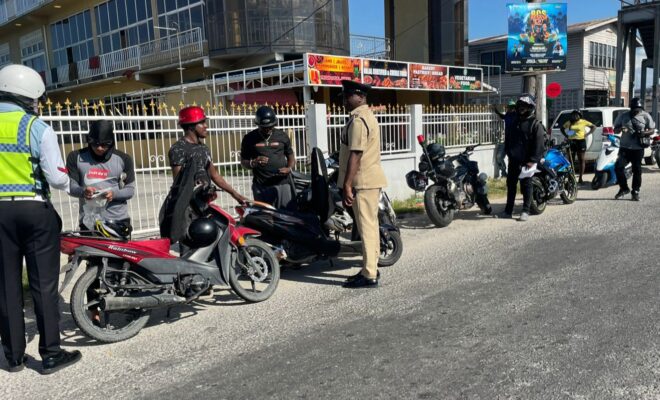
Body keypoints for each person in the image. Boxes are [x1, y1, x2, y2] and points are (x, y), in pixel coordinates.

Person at [0, 64, 81, 374]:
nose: (37, 104)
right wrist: (79, 189)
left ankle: (13, 357)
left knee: (6, 286)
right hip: (34, 211)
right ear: (26, 95)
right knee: (43, 285)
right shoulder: (36, 127)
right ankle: (50, 354)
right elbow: (57, 178)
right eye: (36, 98)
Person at [161, 106, 246, 244]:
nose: (206, 126)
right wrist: (195, 187)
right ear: (191, 126)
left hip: (203, 205)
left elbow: (215, 175)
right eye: (202, 123)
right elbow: (179, 183)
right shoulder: (178, 149)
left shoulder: (203, 148)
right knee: (191, 244)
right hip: (188, 209)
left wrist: (236, 195)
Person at [337, 80, 388, 288]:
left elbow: (356, 154)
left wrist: (347, 185)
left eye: (347, 96)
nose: (344, 100)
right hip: (369, 179)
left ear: (360, 96)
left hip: (362, 181)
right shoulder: (366, 116)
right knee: (371, 226)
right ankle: (371, 267)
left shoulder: (359, 120)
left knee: (366, 227)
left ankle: (369, 275)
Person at [66, 120, 135, 235]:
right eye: (95, 144)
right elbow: (70, 187)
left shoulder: (124, 159)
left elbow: (130, 190)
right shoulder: (75, 157)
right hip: (89, 222)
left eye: (104, 145)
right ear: (89, 141)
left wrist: (113, 194)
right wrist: (83, 191)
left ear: (111, 142)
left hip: (117, 221)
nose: (99, 148)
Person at [498, 93, 546, 222]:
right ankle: (508, 210)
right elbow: (508, 138)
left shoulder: (535, 124)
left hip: (527, 162)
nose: (521, 108)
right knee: (511, 185)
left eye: (524, 106)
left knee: (526, 185)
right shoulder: (514, 122)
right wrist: (509, 152)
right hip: (514, 160)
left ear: (530, 107)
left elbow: (539, 144)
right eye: (520, 106)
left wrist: (532, 160)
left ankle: (525, 210)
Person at [240, 106, 296, 209]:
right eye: (264, 127)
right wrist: (253, 162)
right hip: (261, 187)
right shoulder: (249, 139)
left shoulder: (282, 136)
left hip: (282, 184)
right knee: (265, 215)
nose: (267, 129)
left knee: (286, 214)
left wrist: (289, 168)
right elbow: (243, 161)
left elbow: (291, 156)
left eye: (270, 126)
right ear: (258, 124)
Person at [613, 97, 655, 201]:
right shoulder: (623, 116)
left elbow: (652, 130)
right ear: (631, 108)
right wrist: (620, 129)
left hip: (638, 148)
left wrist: (644, 133)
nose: (636, 111)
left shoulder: (645, 116)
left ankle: (635, 191)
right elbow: (615, 130)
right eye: (634, 109)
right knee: (618, 168)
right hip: (625, 147)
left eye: (638, 109)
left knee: (637, 170)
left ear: (641, 108)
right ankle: (624, 188)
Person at [560, 109, 595, 184]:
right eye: (573, 115)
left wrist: (587, 134)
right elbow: (562, 128)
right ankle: (571, 178)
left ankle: (580, 178)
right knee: (571, 160)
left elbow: (593, 127)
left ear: (579, 116)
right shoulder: (569, 122)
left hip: (581, 142)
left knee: (581, 160)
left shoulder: (583, 121)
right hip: (571, 142)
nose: (575, 116)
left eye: (576, 115)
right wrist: (566, 135)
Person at [492, 100, 518, 177]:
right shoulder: (508, 114)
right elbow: (502, 116)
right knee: (499, 157)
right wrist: (496, 110)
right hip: (506, 141)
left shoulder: (517, 116)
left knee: (512, 159)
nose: (509, 109)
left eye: (511, 107)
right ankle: (504, 173)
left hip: (514, 142)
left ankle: (513, 174)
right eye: (509, 107)